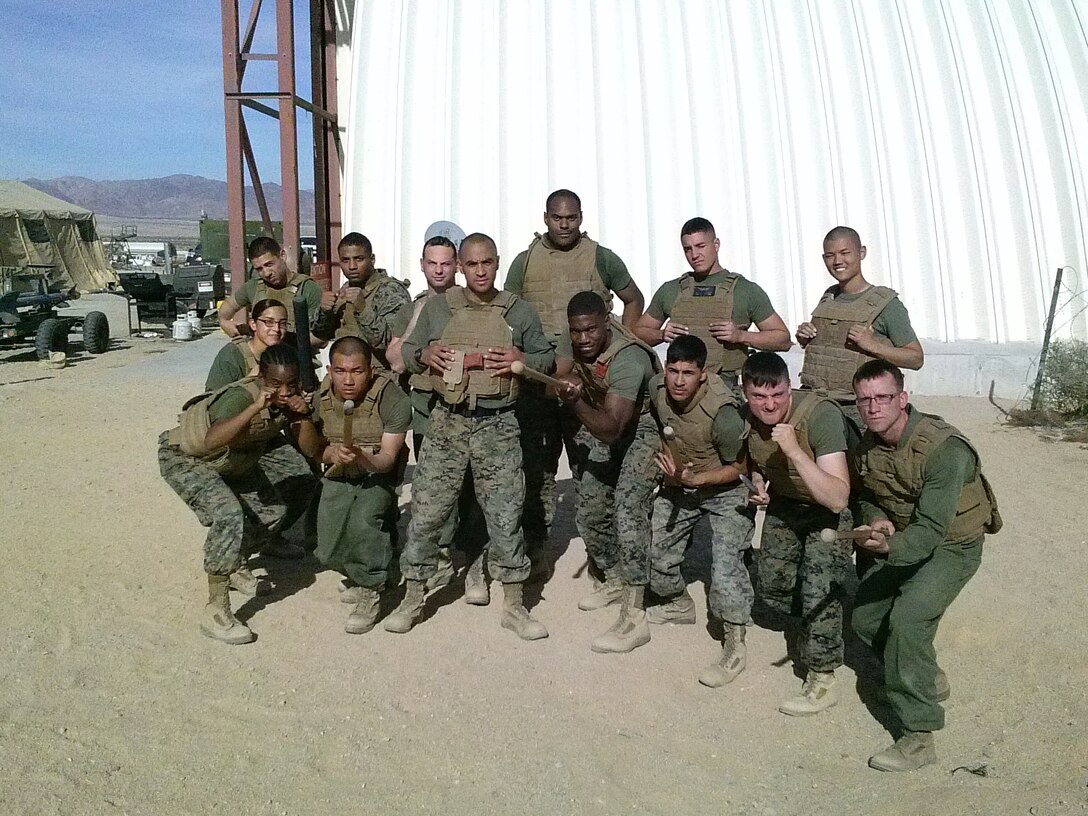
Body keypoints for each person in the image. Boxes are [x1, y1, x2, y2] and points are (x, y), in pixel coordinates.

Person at [387, 233, 554, 640]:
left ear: (497, 264)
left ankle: (514, 604)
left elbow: (547, 358)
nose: (480, 271)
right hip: (448, 422)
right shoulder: (439, 309)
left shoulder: (518, 310)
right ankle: (413, 596)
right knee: (427, 512)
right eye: (472, 264)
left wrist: (522, 358)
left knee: (505, 514)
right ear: (460, 267)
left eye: (488, 263)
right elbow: (405, 353)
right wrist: (424, 355)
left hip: (499, 425)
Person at [849, 360, 999, 772]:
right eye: (865, 400)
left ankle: (918, 736)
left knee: (908, 621)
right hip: (906, 539)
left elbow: (932, 529)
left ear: (903, 398)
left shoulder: (944, 450)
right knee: (864, 618)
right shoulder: (868, 445)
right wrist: (877, 518)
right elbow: (869, 495)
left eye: (883, 398)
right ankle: (922, 673)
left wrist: (889, 545)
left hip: (953, 546)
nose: (874, 408)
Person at [504, 189, 645, 562]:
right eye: (556, 217)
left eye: (570, 218)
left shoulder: (601, 257)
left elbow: (634, 299)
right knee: (536, 469)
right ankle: (534, 553)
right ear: (545, 218)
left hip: (590, 379)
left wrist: (621, 343)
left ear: (581, 218)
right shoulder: (525, 261)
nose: (563, 225)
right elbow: (507, 311)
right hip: (540, 379)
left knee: (594, 468)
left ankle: (607, 560)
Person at [158, 344, 314, 644]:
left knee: (273, 512)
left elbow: (308, 449)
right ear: (260, 378)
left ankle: (234, 562)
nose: (282, 392)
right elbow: (213, 439)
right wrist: (256, 406)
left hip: (232, 460)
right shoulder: (241, 397)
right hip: (186, 459)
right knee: (228, 514)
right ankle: (216, 610)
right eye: (274, 385)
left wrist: (302, 414)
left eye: (290, 385)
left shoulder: (290, 400)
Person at [741, 351, 851, 715]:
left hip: (827, 512)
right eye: (759, 397)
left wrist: (793, 451)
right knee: (772, 588)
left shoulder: (820, 416)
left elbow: (837, 498)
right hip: (787, 504)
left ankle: (823, 676)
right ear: (746, 395)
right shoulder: (747, 418)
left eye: (778, 395)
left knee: (818, 589)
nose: (770, 405)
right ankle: (819, 617)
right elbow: (755, 459)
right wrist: (757, 482)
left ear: (790, 388)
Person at [553, 291, 660, 654]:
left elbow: (613, 428)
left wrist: (576, 400)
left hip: (644, 428)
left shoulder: (629, 358)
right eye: (576, 332)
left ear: (606, 322)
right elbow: (563, 368)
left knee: (629, 508)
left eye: (591, 331)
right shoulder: (575, 341)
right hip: (607, 419)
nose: (583, 340)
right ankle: (613, 576)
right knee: (591, 506)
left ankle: (635, 614)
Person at [646, 335, 755, 685]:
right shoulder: (658, 389)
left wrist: (699, 479)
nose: (678, 381)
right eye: (673, 371)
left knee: (725, 568)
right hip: (682, 482)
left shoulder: (723, 414)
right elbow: (665, 428)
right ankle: (678, 603)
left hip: (724, 488)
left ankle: (735, 639)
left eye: (688, 373)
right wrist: (674, 471)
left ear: (703, 374)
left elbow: (741, 467)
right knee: (656, 554)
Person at [296, 336, 411, 634]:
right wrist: (330, 452)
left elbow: (387, 459)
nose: (348, 380)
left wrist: (361, 457)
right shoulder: (320, 399)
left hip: (378, 475)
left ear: (370, 370)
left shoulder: (392, 399)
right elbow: (312, 447)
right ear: (329, 370)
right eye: (340, 371)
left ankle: (372, 587)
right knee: (327, 543)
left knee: (364, 521)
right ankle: (364, 567)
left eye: (357, 371)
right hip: (338, 471)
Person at [388, 234, 478, 596]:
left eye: (446, 263)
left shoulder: (473, 301)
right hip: (428, 409)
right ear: (422, 265)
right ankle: (439, 559)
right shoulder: (413, 309)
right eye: (432, 263)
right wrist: (422, 339)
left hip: (470, 408)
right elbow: (396, 358)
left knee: (472, 488)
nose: (439, 270)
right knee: (433, 489)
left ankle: (472, 560)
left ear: (457, 265)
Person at [635, 217, 791, 391]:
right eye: (688, 249)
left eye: (701, 246)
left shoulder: (745, 290)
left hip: (724, 390)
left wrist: (741, 336)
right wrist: (661, 334)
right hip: (680, 390)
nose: (694, 255)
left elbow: (783, 339)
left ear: (716, 244)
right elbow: (636, 333)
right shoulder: (671, 290)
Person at [796, 226, 924, 430]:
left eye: (845, 253)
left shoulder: (886, 304)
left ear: (861, 253)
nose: (838, 261)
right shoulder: (828, 298)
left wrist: (872, 345)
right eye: (830, 255)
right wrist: (806, 337)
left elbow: (916, 358)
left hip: (858, 410)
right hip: (816, 403)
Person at [313, 232, 411, 369]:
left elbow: (390, 343)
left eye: (358, 259)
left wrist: (363, 309)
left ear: (372, 259)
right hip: (345, 374)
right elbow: (321, 335)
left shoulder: (391, 291)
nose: (352, 266)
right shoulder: (345, 290)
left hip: (380, 378)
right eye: (345, 260)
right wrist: (324, 311)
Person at [218, 236, 322, 340]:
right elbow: (229, 305)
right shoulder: (254, 287)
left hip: (296, 353)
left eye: (269, 264)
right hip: (261, 354)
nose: (266, 273)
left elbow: (320, 338)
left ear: (282, 256)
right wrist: (224, 322)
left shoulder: (308, 288)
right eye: (259, 269)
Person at [205, 299, 288, 391]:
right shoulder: (232, 355)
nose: (276, 329)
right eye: (269, 322)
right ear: (253, 324)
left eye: (282, 324)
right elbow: (212, 400)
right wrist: (249, 382)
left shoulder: (288, 354)